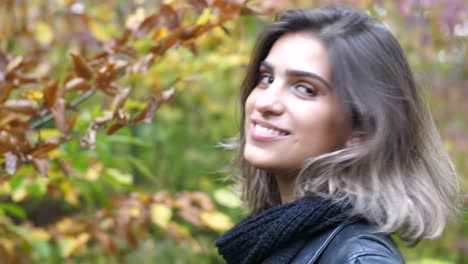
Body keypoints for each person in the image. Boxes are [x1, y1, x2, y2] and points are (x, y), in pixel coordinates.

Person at [214, 6, 460, 264]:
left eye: (305, 89)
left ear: (362, 128)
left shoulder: (361, 259)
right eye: (266, 78)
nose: (266, 102)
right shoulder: (268, 240)